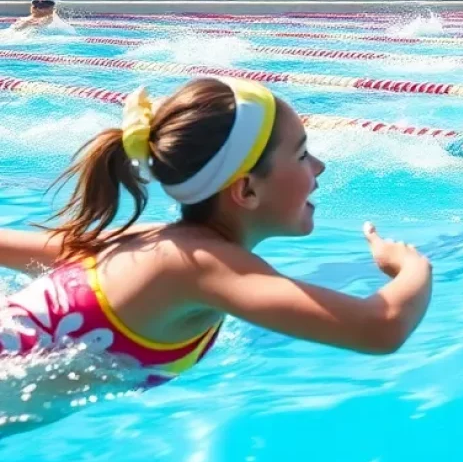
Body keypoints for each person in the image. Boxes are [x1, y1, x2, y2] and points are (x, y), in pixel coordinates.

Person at [0, 78, 432, 415]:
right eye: (302, 155)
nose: (320, 166)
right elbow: (380, 327)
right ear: (245, 190)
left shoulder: (148, 241)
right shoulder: (203, 266)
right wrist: (410, 266)